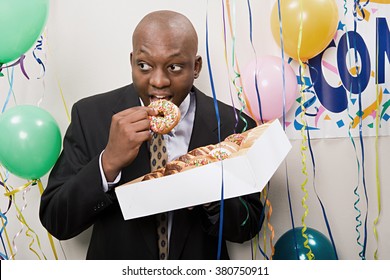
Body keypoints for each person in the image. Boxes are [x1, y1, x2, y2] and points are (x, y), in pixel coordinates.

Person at [39, 10, 263, 260]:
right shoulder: (91, 116)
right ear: (132, 61)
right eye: (144, 65)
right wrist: (108, 162)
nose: (158, 81)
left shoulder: (234, 124)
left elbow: (250, 226)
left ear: (196, 66)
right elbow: (56, 221)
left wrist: (208, 191)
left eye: (174, 67)